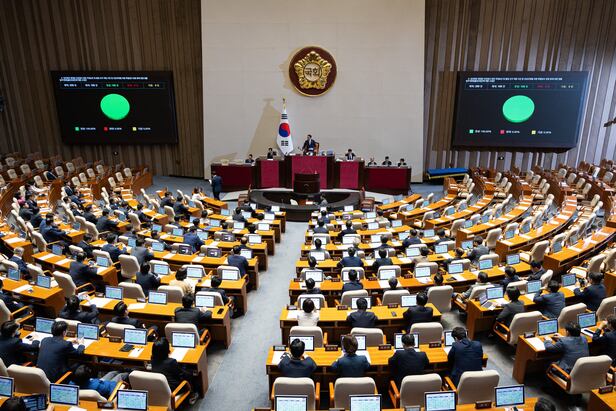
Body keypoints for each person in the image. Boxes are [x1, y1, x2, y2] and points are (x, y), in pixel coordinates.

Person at [151, 338, 199, 404]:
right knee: (191, 373)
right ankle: (193, 394)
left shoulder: (153, 360)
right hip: (174, 389)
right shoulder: (171, 362)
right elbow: (180, 374)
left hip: (161, 388)